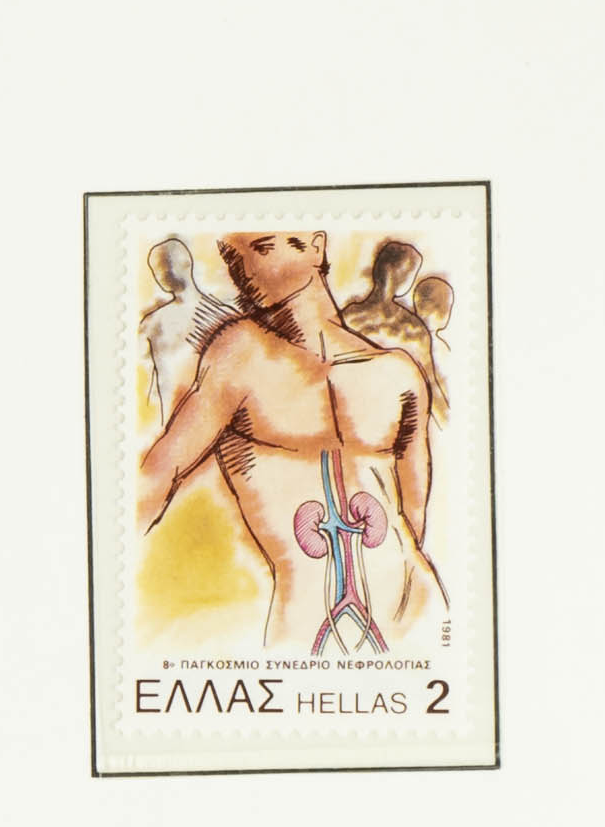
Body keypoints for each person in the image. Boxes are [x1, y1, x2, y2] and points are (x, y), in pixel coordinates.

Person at [129, 230, 447, 653]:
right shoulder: (240, 355)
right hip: (303, 622)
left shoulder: (399, 371)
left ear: (317, 246)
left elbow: (413, 516)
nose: (246, 269)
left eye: (263, 247)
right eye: (234, 260)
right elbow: (153, 480)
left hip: (416, 609)